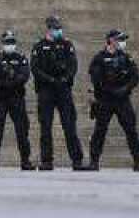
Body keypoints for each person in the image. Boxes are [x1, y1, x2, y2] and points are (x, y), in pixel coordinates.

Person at [30, 15, 88, 170]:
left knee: (69, 125)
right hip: (46, 90)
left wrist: (64, 79)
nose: (58, 31)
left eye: (59, 28)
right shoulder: (39, 46)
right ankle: (46, 161)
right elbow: (35, 68)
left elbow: (73, 65)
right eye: (55, 28)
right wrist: (50, 80)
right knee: (46, 127)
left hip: (63, 90)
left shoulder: (67, 45)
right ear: (49, 29)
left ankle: (77, 160)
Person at [87, 29, 139, 171]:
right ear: (111, 40)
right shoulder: (99, 58)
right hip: (105, 100)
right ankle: (94, 161)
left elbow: (135, 77)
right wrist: (110, 91)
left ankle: (138, 161)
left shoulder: (126, 58)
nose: (123, 43)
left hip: (122, 100)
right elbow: (96, 80)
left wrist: (125, 89)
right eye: (120, 39)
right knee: (100, 131)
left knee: (131, 130)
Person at [0, 29, 33, 171]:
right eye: (7, 42)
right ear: (2, 44)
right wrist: (3, 84)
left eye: (12, 42)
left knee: (22, 130)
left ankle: (25, 160)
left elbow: (25, 75)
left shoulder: (21, 58)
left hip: (16, 97)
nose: (9, 45)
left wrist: (13, 83)